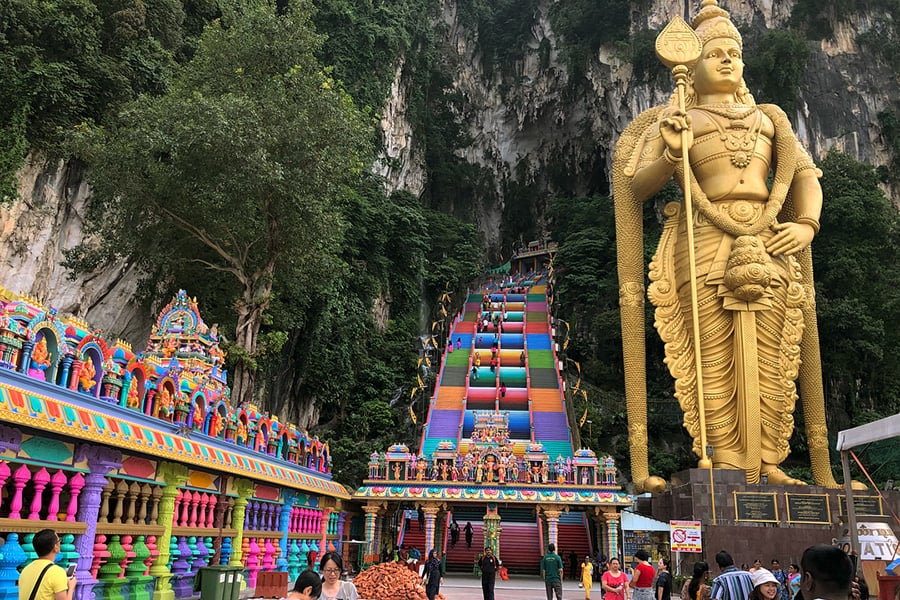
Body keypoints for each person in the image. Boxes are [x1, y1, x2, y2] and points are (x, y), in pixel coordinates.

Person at [614, 0, 836, 490]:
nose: (728, 60)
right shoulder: (677, 118)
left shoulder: (771, 120)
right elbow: (635, 187)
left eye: (734, 52)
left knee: (774, 352)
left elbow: (805, 179)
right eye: (715, 53)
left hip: (770, 236)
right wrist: (672, 152)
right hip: (702, 239)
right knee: (710, 355)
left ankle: (772, 461)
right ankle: (723, 457)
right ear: (691, 67)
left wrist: (808, 226)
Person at [18, 529, 76, 600]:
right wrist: (71, 588)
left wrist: (63, 574)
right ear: (55, 547)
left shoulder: (26, 569)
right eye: (59, 541)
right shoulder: (57, 572)